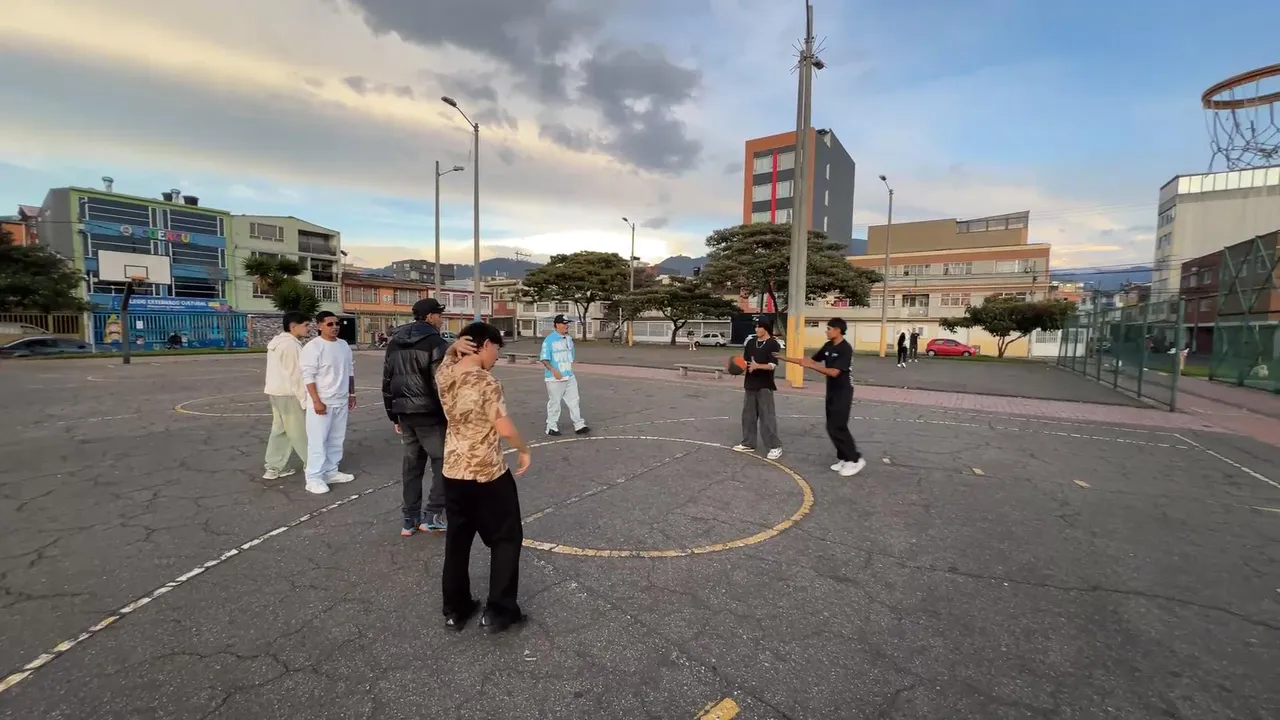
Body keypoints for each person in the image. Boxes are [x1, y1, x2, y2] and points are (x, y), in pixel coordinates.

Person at [436, 322, 532, 634]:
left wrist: (453, 348)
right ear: (486, 344)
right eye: (496, 350)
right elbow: (504, 427)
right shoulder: (486, 381)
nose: (496, 357)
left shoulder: (444, 373)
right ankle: (499, 611)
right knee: (505, 538)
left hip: (453, 470)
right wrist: (523, 449)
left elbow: (447, 359)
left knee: (458, 540)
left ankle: (456, 609)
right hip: (487, 472)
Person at [382, 298, 451, 536]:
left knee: (412, 465)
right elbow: (441, 383)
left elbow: (387, 381)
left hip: (404, 413)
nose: (441, 320)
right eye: (439, 315)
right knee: (442, 461)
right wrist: (450, 413)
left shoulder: (394, 343)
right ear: (430, 316)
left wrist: (394, 416)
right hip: (430, 413)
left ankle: (409, 518)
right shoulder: (436, 343)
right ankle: (433, 514)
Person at [777, 317, 866, 477]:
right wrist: (784, 358)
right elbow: (808, 361)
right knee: (831, 426)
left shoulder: (845, 349)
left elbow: (834, 372)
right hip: (832, 390)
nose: (826, 331)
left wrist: (813, 366)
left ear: (838, 330)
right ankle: (844, 457)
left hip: (843, 391)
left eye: (829, 329)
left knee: (838, 426)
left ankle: (855, 459)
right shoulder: (828, 346)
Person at [300, 310, 357, 495]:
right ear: (319, 326)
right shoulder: (313, 347)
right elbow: (308, 376)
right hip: (322, 402)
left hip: (341, 400)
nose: (335, 327)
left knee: (336, 439)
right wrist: (316, 401)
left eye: (337, 323)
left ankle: (331, 471)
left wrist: (352, 393)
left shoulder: (343, 345)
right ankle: (313, 478)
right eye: (330, 324)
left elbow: (350, 370)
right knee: (318, 441)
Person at [262, 311, 312, 481]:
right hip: (289, 394)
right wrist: (304, 399)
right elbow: (296, 375)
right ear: (293, 326)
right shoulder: (291, 346)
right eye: (306, 325)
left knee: (280, 430)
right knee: (300, 431)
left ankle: (273, 467)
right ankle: (313, 466)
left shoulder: (277, 342)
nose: (309, 328)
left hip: (276, 392)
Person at [733, 319, 783, 460]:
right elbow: (745, 361)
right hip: (750, 383)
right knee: (748, 416)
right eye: (755, 327)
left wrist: (758, 366)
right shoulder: (750, 343)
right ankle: (748, 443)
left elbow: (772, 365)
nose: (756, 329)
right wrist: (737, 367)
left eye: (759, 327)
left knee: (767, 417)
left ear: (766, 328)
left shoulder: (773, 344)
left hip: (765, 385)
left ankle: (774, 446)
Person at [540, 314, 589, 436]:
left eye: (567, 323)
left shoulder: (569, 339)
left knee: (574, 401)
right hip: (555, 378)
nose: (567, 326)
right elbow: (544, 359)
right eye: (564, 323)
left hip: (569, 375)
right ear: (557, 325)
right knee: (555, 403)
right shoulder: (549, 340)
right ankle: (551, 426)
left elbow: (571, 356)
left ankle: (579, 424)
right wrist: (554, 370)